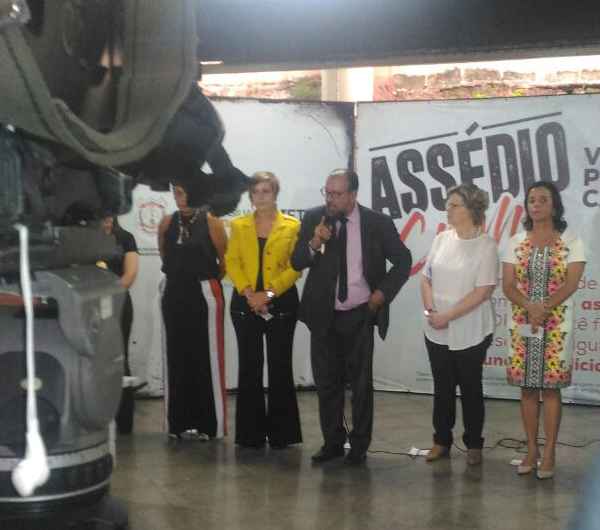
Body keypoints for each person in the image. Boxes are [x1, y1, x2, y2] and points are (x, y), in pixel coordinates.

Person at [291, 168, 412, 465]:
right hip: (323, 314)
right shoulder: (313, 218)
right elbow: (296, 261)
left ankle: (359, 445)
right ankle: (333, 441)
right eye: (327, 193)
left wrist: (381, 295)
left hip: (360, 312)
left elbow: (403, 261)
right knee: (327, 382)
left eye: (337, 194)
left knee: (360, 384)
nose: (330, 199)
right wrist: (314, 243)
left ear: (353, 195)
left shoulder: (377, 223)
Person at [502, 181, 585, 479]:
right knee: (527, 388)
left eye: (543, 200)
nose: (536, 204)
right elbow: (508, 285)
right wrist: (530, 307)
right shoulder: (514, 241)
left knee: (550, 390)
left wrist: (543, 307)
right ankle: (531, 450)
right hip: (523, 325)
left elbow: (572, 283)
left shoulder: (570, 240)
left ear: (555, 205)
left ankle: (549, 451)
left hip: (556, 326)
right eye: (531, 200)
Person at [420, 184, 498, 466]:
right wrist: (431, 310)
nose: (448, 209)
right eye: (448, 204)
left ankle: (474, 443)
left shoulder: (487, 245)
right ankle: (441, 440)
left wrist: (447, 316)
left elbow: (483, 291)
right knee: (442, 388)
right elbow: (426, 278)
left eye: (454, 205)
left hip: (471, 329)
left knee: (470, 388)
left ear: (472, 209)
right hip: (436, 327)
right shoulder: (441, 239)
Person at [225, 171, 303, 449]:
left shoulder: (292, 226)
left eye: (266, 191)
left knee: (280, 366)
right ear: (250, 195)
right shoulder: (238, 225)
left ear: (275, 193)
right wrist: (249, 293)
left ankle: (283, 435)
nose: (260, 196)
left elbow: (296, 267)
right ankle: (250, 435)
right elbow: (232, 261)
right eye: (256, 191)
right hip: (245, 304)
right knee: (250, 366)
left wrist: (268, 294)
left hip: (281, 303)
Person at [158, 179, 228, 440]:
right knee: (176, 357)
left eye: (186, 192)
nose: (182, 197)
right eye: (177, 192)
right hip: (174, 292)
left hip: (203, 292)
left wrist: (202, 277)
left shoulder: (212, 222)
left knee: (206, 358)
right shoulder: (166, 222)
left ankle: (210, 425)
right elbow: (166, 256)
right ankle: (178, 424)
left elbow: (223, 261)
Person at [101, 215, 140, 435]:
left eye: (109, 218)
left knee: (120, 357)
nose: (105, 223)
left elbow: (131, 273)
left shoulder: (125, 237)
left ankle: (123, 421)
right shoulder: (84, 240)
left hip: (118, 303)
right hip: (89, 305)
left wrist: (108, 293)